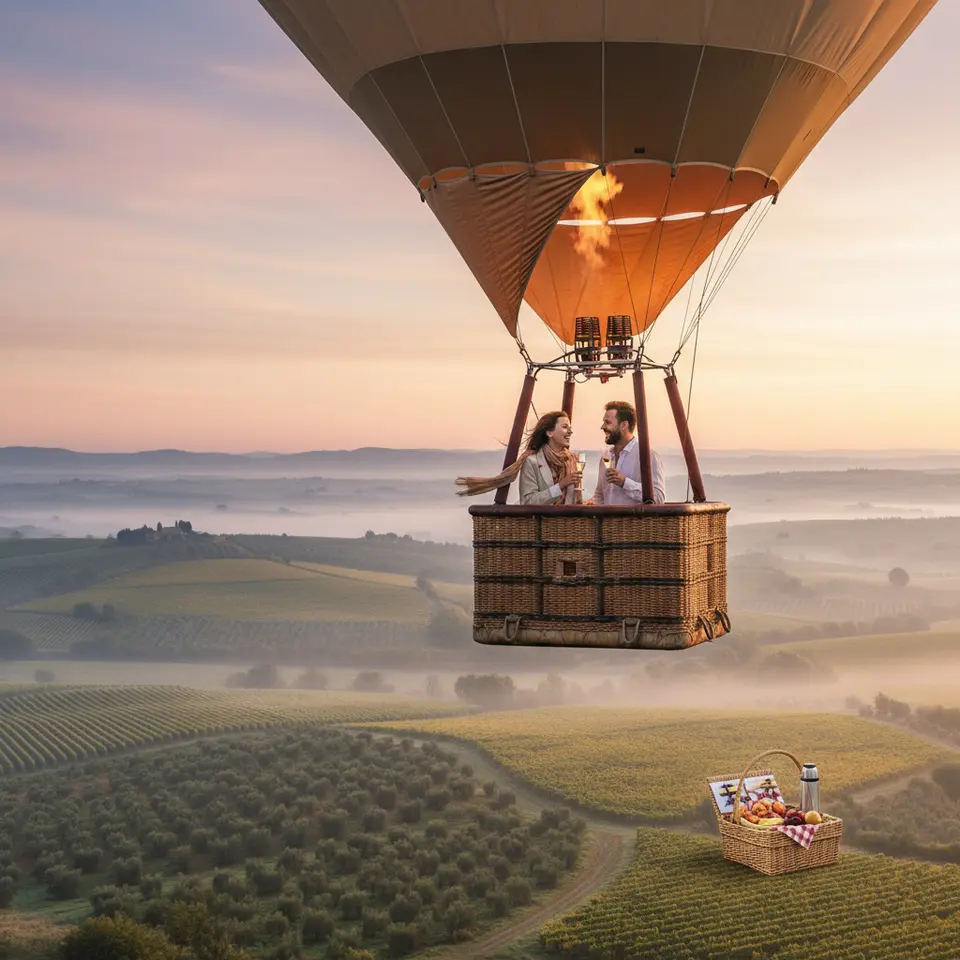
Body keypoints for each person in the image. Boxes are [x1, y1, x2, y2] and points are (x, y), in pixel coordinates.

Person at [454, 411, 581, 504]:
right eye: (565, 427)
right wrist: (561, 485)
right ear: (549, 432)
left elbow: (574, 499)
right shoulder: (532, 462)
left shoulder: (572, 461)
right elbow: (528, 501)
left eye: (570, 428)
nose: (570, 431)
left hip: (566, 529)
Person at [589, 400, 666, 504]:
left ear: (623, 425)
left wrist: (624, 482)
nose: (602, 427)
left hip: (634, 520)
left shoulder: (648, 455)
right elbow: (599, 495)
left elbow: (659, 498)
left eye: (607, 422)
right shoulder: (606, 456)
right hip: (608, 521)